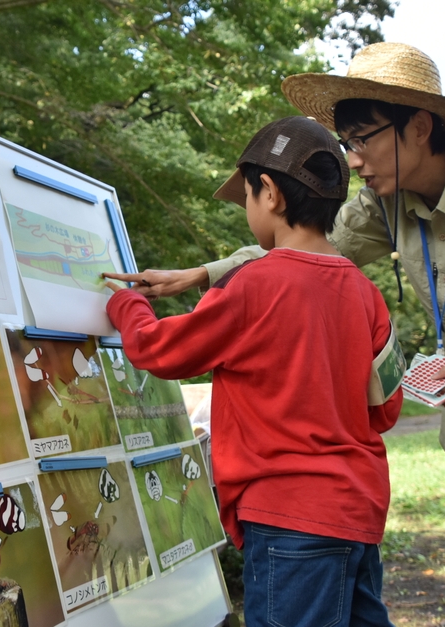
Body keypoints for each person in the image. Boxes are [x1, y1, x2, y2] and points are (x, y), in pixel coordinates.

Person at [106, 42, 445, 626]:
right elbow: (302, 251)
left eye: (362, 140)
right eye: (345, 144)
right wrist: (204, 273)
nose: (353, 160)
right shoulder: (381, 203)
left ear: (418, 126)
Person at [105, 116, 404, 627]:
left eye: (245, 195)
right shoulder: (366, 293)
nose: (247, 208)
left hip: (288, 518)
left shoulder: (253, 285)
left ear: (269, 192)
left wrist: (127, 306)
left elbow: (160, 351)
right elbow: (387, 409)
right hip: (358, 512)